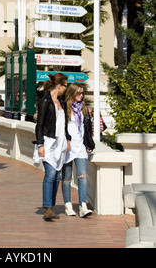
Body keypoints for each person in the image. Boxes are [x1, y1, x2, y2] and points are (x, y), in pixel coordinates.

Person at [33, 73, 70, 221]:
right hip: (48, 142)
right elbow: (40, 125)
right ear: (59, 85)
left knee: (57, 177)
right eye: (65, 86)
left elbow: (64, 124)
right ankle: (47, 208)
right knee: (50, 175)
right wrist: (40, 144)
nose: (66, 89)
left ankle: (51, 207)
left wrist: (68, 139)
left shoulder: (61, 101)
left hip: (60, 144)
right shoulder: (45, 101)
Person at [61, 83, 95, 218]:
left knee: (82, 177)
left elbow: (87, 129)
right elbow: (62, 127)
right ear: (72, 93)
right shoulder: (64, 108)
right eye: (78, 93)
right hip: (68, 146)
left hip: (80, 146)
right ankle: (68, 205)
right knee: (67, 178)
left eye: (82, 93)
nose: (81, 96)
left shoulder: (84, 109)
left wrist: (89, 143)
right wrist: (66, 140)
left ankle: (83, 205)